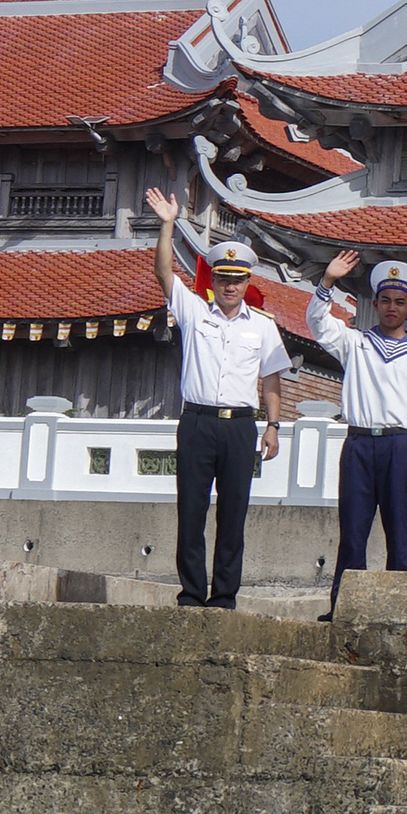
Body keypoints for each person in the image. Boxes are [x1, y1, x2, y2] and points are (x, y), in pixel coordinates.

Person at [145, 188, 291, 609]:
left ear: (248, 282)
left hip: (240, 427)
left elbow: (271, 382)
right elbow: (162, 273)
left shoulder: (262, 327)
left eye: (238, 279)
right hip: (197, 423)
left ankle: (224, 596)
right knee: (190, 513)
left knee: (233, 517)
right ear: (214, 280)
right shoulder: (193, 311)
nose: (230, 286)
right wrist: (168, 223)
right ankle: (192, 594)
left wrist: (273, 427)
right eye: (223, 278)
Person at [309, 251, 407, 618]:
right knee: (352, 535)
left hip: (400, 445)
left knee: (398, 536)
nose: (392, 308)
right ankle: (346, 609)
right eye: (385, 300)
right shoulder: (355, 343)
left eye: (400, 302)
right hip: (359, 444)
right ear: (376, 303)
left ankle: (399, 612)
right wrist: (328, 281)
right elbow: (317, 323)